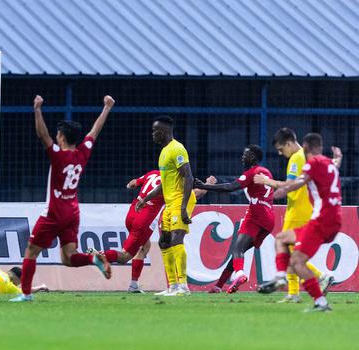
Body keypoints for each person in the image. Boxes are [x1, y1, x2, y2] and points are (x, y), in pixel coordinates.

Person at [10, 94, 115, 302]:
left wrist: (37, 109)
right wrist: (107, 108)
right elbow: (95, 132)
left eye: (58, 134)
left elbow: (42, 135)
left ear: (62, 137)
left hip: (54, 213)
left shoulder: (59, 155)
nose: (56, 136)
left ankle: (26, 294)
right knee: (68, 258)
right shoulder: (83, 152)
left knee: (31, 252)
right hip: (72, 212)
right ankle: (93, 258)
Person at [256, 133, 341, 312]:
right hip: (333, 220)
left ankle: (320, 301)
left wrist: (275, 187)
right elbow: (334, 165)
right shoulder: (328, 164)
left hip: (321, 220)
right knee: (281, 239)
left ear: (306, 147)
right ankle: (281, 277)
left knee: (297, 262)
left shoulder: (313, 163)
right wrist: (338, 158)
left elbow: (294, 184)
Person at [94, 171, 214, 293]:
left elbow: (133, 183)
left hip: (132, 214)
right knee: (125, 256)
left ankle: (134, 285)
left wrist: (129, 186)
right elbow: (197, 194)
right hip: (144, 221)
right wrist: (209, 183)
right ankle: (99, 256)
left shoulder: (153, 173)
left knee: (145, 246)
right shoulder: (172, 181)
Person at [194, 145, 275, 294]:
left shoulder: (252, 172)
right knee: (239, 253)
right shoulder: (266, 172)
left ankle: (240, 275)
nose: (242, 157)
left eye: (246, 154)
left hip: (256, 214)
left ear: (254, 157)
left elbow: (230, 187)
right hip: (269, 216)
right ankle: (218, 286)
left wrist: (206, 186)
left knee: (237, 249)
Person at [136, 116, 195, 296]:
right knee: (163, 242)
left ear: (165, 131)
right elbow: (164, 183)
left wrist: (183, 207)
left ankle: (183, 286)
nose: (153, 134)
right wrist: (145, 198)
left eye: (155, 131)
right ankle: (172, 286)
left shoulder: (177, 149)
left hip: (181, 200)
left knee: (177, 239)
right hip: (170, 202)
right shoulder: (163, 152)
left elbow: (189, 177)